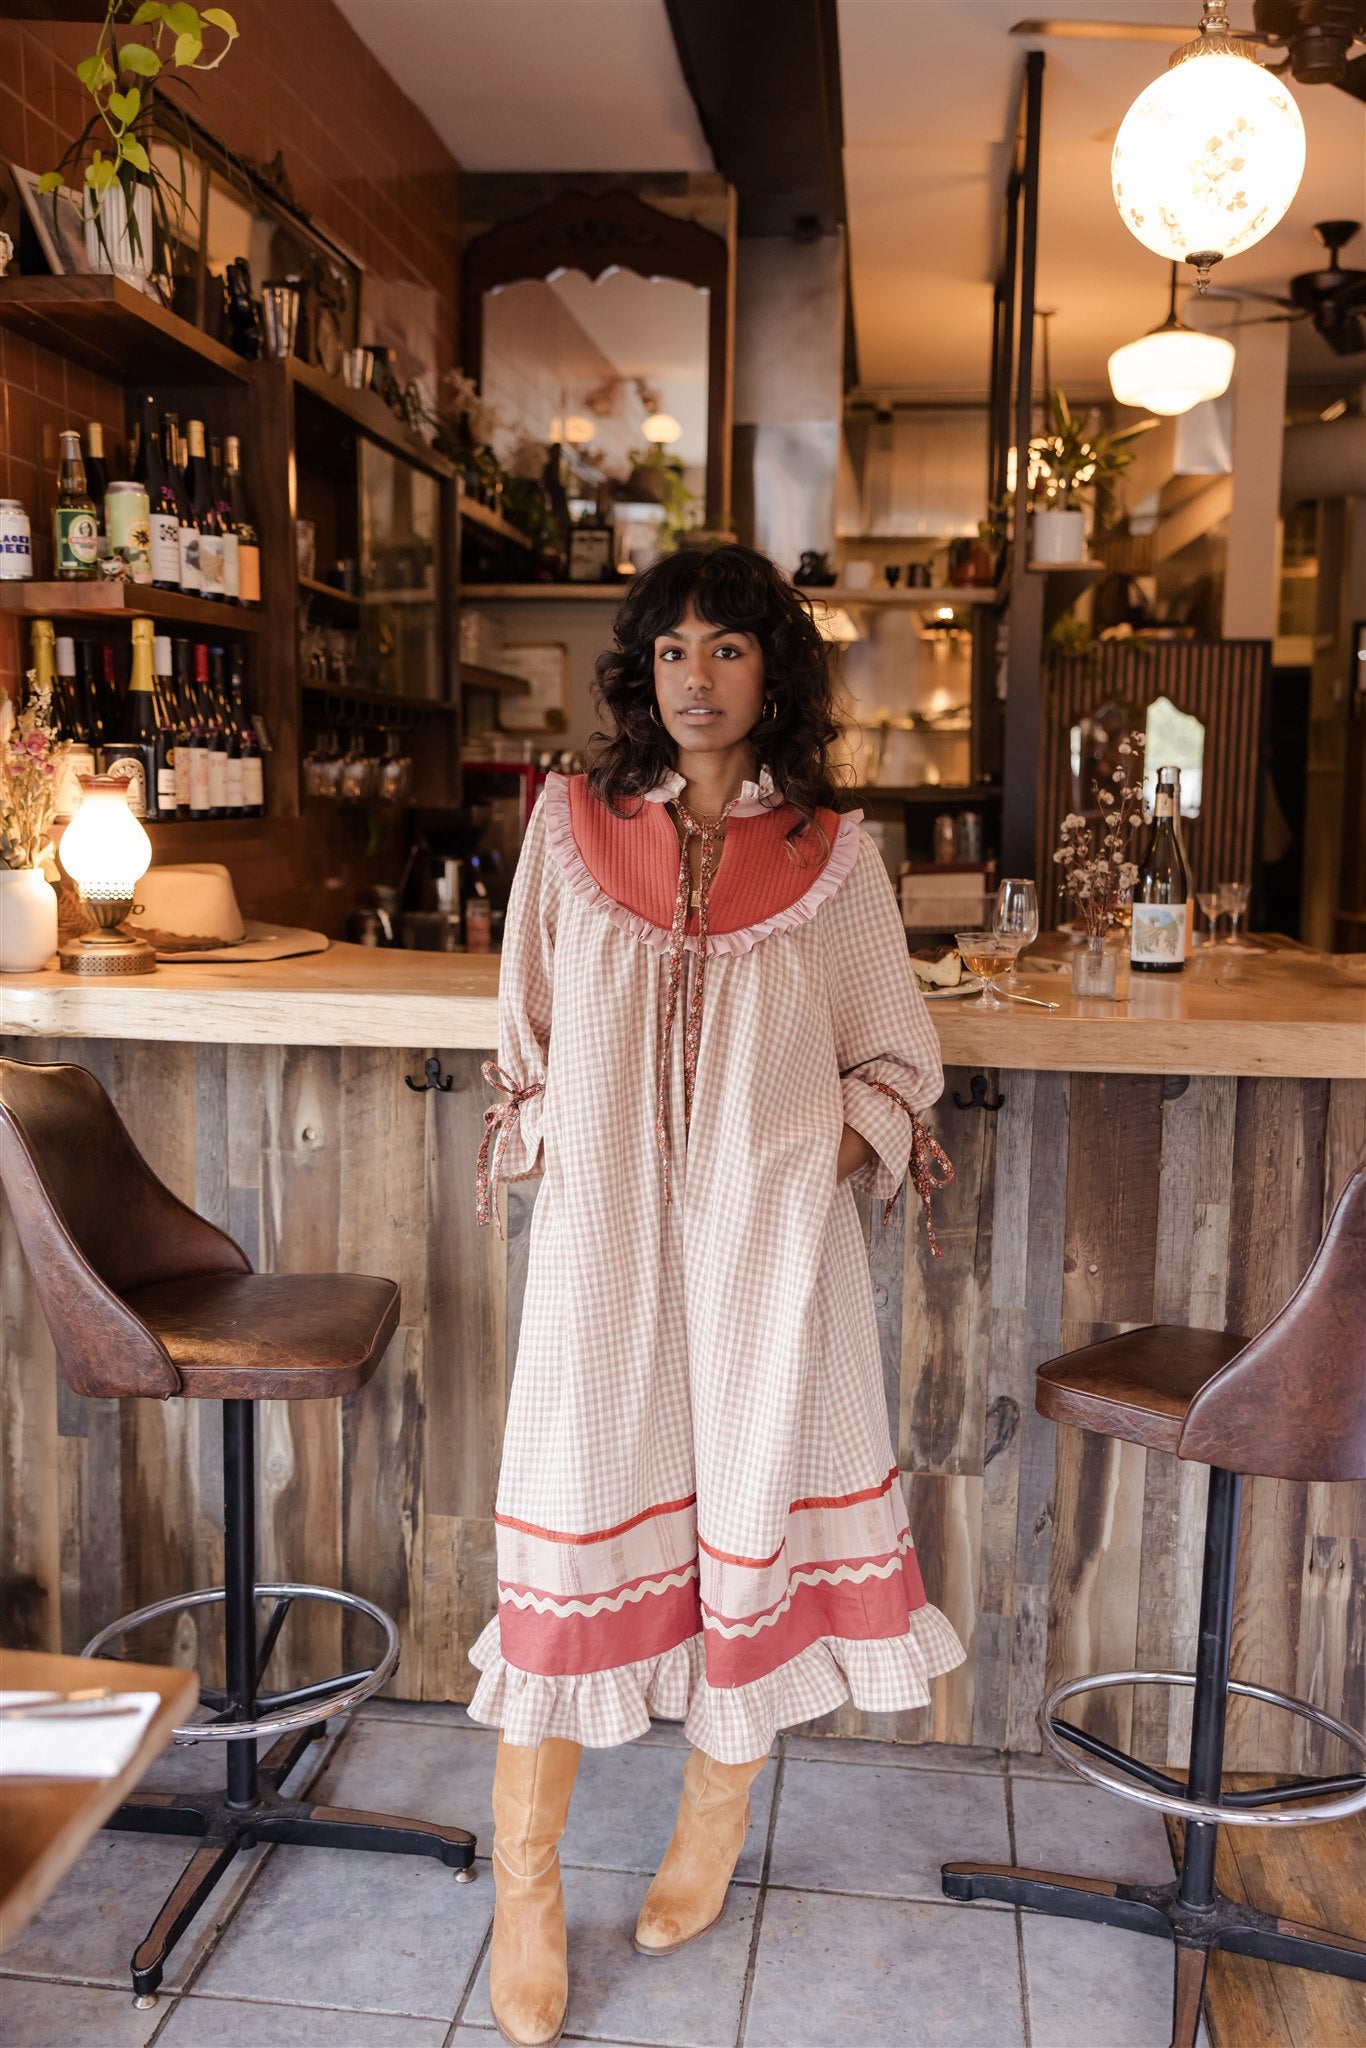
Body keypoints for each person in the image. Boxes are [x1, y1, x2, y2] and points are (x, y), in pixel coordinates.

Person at [471, 543, 964, 2048]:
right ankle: (525, 1886)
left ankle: (710, 1827)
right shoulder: (568, 827)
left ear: (774, 675)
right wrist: (580, 1141)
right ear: (642, 672)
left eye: (730, 649)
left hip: (772, 1257)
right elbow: (523, 1033)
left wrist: (809, 1154)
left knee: (753, 1505)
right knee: (573, 1529)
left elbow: (897, 1056)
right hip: (604, 1249)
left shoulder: (835, 857)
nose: (697, 678)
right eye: (673, 650)